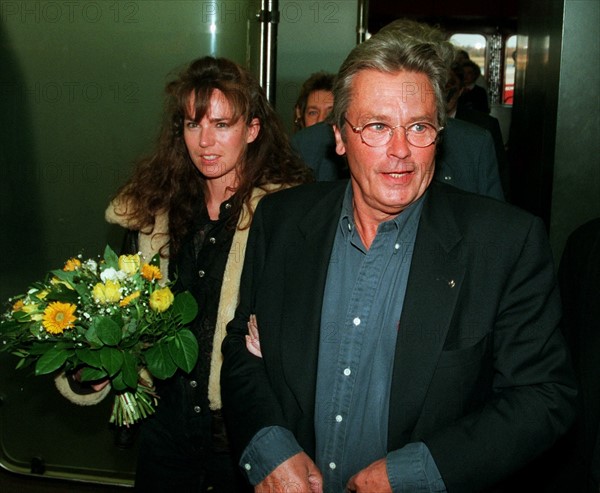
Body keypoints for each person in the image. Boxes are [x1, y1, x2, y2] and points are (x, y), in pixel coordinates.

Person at [220, 20, 577, 493]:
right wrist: (266, 446)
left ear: (440, 135)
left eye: (419, 127)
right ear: (340, 138)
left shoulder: (504, 244)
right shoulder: (283, 222)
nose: (401, 152)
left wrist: (418, 472)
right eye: (377, 127)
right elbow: (241, 352)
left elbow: (544, 396)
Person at [59, 56, 312, 492]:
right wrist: (93, 366)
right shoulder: (151, 214)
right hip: (165, 439)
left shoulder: (287, 217)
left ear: (251, 130)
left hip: (242, 445)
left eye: (221, 124)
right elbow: (114, 314)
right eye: (193, 125)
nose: (205, 141)